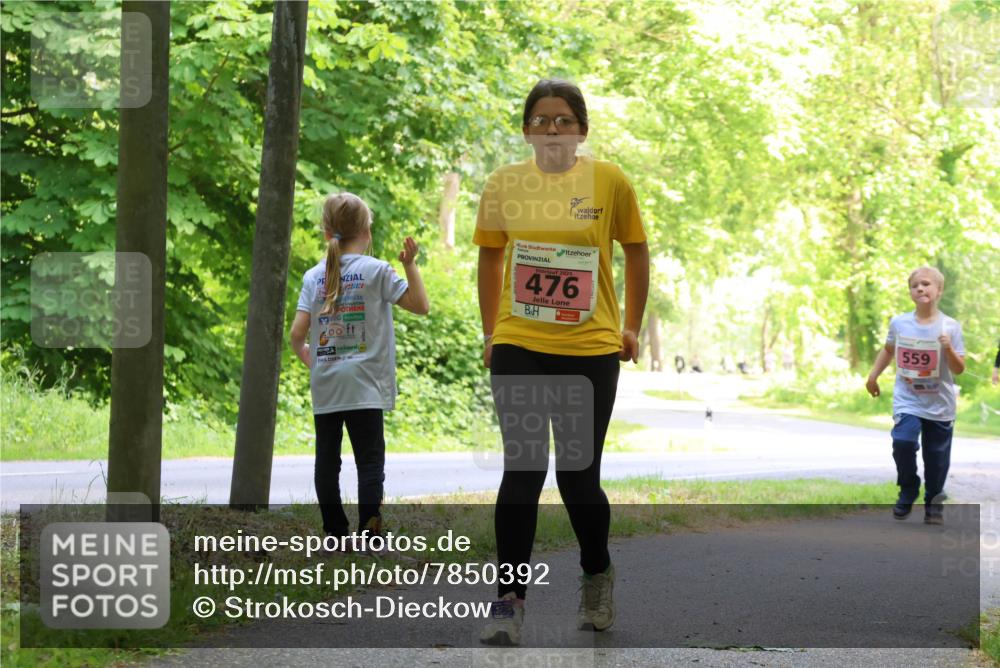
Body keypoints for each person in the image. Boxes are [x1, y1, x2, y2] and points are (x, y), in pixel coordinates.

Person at [475, 79, 649, 645]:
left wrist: (631, 326)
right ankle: (509, 602)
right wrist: (490, 331)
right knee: (522, 471)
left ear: (581, 128)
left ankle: (596, 573)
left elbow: (636, 250)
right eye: (541, 119)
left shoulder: (609, 180)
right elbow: (491, 256)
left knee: (577, 477)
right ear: (526, 129)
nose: (552, 129)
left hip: (590, 347)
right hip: (519, 342)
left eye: (563, 119)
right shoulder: (504, 183)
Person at [290, 192, 429, 547]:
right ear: (366, 233)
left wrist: (308, 357)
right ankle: (370, 537)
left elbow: (297, 333)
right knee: (369, 463)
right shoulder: (377, 270)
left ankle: (334, 534)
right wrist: (410, 264)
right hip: (366, 385)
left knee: (327, 461)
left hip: (327, 384)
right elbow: (419, 305)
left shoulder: (313, 277)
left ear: (326, 233)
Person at [865, 266, 965, 525]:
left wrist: (948, 348)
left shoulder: (950, 327)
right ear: (910, 292)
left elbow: (959, 369)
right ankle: (908, 488)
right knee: (903, 441)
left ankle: (933, 503)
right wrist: (873, 376)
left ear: (939, 290)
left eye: (926, 284)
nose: (920, 288)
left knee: (936, 458)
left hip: (940, 404)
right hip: (907, 399)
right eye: (914, 285)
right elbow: (888, 350)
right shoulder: (900, 323)